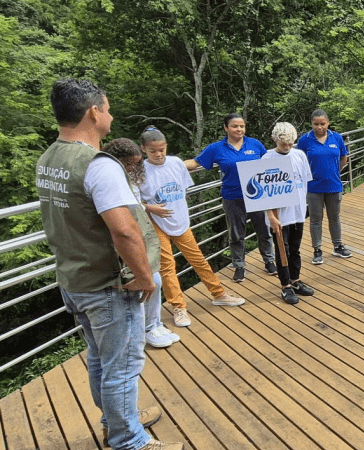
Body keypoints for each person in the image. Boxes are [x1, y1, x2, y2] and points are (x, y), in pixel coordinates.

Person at [36, 78, 182, 450]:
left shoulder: (49, 158)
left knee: (101, 360)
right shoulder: (97, 165)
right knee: (123, 369)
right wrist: (145, 277)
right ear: (93, 112)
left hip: (74, 279)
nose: (111, 115)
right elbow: (125, 232)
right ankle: (128, 440)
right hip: (110, 286)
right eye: (108, 107)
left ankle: (117, 421)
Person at [139, 126, 245, 328]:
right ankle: (179, 307)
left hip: (179, 219)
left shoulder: (176, 163)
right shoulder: (139, 171)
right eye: (153, 151)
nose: (159, 154)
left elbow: (182, 189)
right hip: (155, 221)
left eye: (162, 149)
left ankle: (219, 294)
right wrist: (149, 207)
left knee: (197, 258)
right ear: (144, 149)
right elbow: (132, 200)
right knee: (167, 267)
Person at [102, 138, 180, 348]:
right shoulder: (107, 177)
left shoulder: (130, 177)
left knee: (155, 280)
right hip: (125, 240)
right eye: (128, 163)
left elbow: (135, 204)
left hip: (141, 235)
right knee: (149, 281)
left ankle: (153, 324)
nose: (133, 167)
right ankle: (146, 328)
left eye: (136, 163)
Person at [185, 113, 277, 283]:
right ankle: (239, 265)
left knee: (263, 230)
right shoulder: (216, 148)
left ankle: (269, 260)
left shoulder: (255, 144)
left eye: (242, 126)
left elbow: (269, 164)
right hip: (232, 196)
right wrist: (170, 166)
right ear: (226, 128)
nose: (239, 129)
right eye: (235, 126)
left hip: (257, 195)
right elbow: (196, 163)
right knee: (236, 233)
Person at [262, 122, 315, 304]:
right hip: (279, 215)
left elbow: (305, 181)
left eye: (290, 144)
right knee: (281, 249)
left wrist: (304, 207)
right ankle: (285, 286)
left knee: (295, 248)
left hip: (298, 211)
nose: (287, 147)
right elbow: (263, 192)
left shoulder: (299, 155)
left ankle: (295, 280)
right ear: (275, 140)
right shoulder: (267, 159)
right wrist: (271, 216)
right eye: (283, 144)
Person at [297, 109, 352, 264]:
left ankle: (338, 245)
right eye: (316, 124)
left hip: (333, 185)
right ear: (311, 124)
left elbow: (344, 157)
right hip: (313, 187)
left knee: (335, 218)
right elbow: (299, 161)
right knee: (315, 219)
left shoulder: (337, 138)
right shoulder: (304, 140)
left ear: (328, 123)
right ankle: (317, 249)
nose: (320, 127)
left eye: (323, 124)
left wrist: (334, 171)